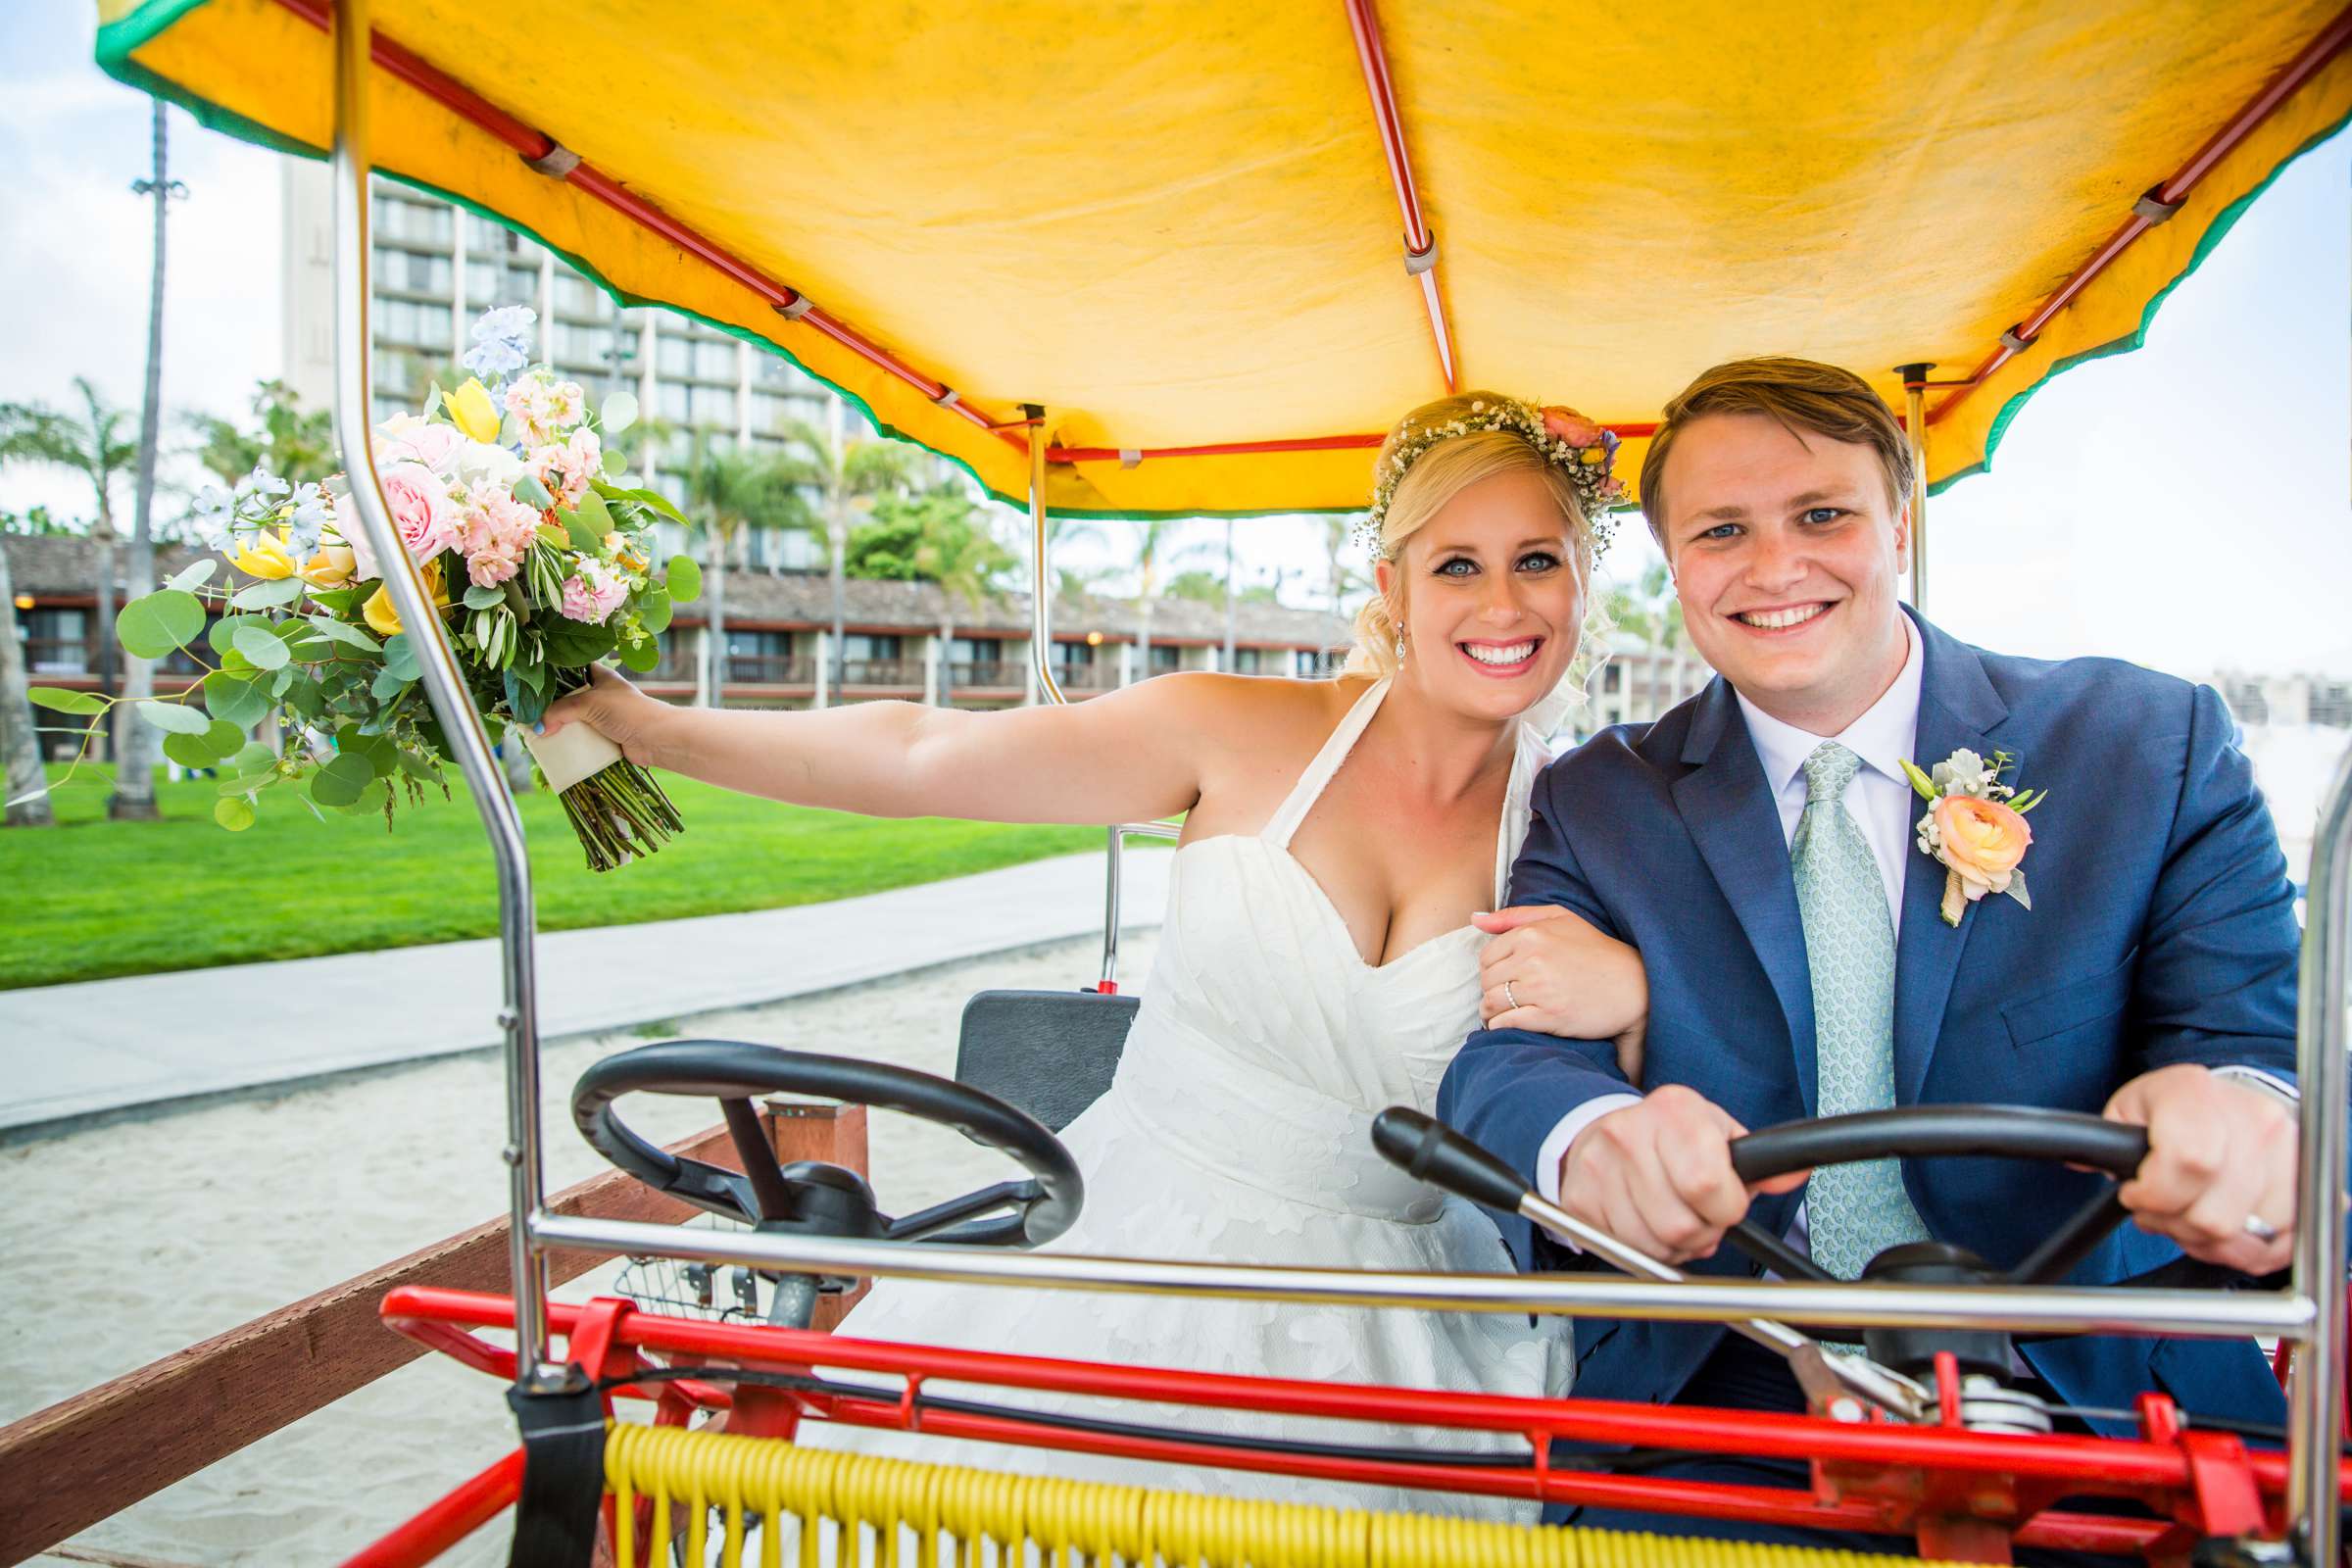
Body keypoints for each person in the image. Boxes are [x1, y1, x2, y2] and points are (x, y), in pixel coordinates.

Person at [542, 392, 1647, 1517]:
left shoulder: (1578, 824)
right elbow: (927, 754)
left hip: (1394, 1320)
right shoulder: (1237, 728)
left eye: (1538, 561)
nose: (1502, 603)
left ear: (1580, 583)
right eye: (1458, 564)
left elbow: (1636, 1086)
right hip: (1129, 1246)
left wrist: (1631, 997)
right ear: (1393, 588)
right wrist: (660, 730)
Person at [1440, 356, 2303, 1542]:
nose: (1775, 566)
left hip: (2102, 1380)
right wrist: (1594, 1138)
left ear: (1901, 521)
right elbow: (1504, 1065)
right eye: (1721, 530)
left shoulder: (2150, 741)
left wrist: (2245, 1112)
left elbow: (2260, 1044)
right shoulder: (1602, 795)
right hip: (1728, 1376)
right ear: (1676, 564)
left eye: (1823, 516)